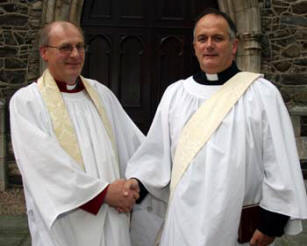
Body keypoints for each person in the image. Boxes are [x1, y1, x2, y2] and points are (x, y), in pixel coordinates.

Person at [125, 8, 307, 246]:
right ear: (194, 47)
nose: (209, 45)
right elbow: (156, 155)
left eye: (217, 38)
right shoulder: (176, 94)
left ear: (234, 46)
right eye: (202, 39)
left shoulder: (261, 94)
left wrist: (271, 222)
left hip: (236, 222)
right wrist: (136, 186)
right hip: (183, 223)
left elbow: (279, 160)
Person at [10, 21, 144, 246]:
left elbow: (134, 146)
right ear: (44, 52)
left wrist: (132, 186)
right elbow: (45, 167)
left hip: (113, 221)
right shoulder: (27, 102)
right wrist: (104, 194)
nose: (75, 54)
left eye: (80, 47)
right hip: (65, 229)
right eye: (65, 47)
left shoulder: (102, 94)